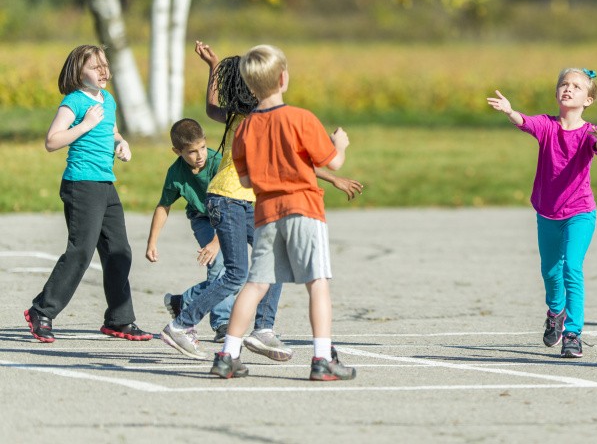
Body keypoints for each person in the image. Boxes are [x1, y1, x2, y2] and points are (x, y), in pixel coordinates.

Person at [163, 42, 362, 362]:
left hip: (244, 199)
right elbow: (292, 161)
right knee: (237, 274)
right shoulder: (262, 118)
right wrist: (336, 156)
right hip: (230, 199)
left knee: (273, 265)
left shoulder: (237, 118)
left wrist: (214, 68)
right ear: (279, 81)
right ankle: (182, 324)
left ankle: (263, 329)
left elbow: (211, 106)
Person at [24, 45, 151, 343]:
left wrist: (122, 143)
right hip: (81, 184)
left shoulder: (107, 99)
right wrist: (86, 125)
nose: (103, 71)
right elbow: (52, 141)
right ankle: (41, 310)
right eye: (96, 67)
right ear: (78, 72)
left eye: (105, 65)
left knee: (119, 252)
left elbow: (113, 131)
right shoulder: (74, 102)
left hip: (105, 185)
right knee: (81, 251)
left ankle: (120, 320)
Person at [486, 68, 597, 359]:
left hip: (580, 212)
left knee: (572, 268)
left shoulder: (589, 132)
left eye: (577, 87)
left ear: (588, 100)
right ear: (557, 92)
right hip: (547, 212)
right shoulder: (546, 125)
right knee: (551, 271)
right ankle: (556, 311)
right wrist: (509, 111)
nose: (568, 89)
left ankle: (572, 333)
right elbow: (524, 122)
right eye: (564, 84)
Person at [146, 118, 232, 350]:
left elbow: (231, 207)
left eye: (202, 147)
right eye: (192, 152)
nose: (200, 155)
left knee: (236, 272)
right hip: (203, 218)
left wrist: (218, 240)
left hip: (228, 214)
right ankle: (223, 323)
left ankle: (183, 301)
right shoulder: (175, 173)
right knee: (218, 265)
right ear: (177, 151)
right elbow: (163, 206)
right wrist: (152, 241)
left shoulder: (217, 162)